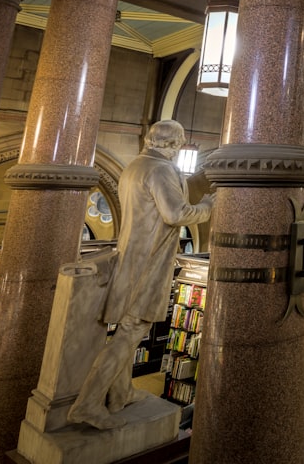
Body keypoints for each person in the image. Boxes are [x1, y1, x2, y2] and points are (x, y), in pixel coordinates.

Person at [68, 119, 214, 430]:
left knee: (128, 330)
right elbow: (176, 214)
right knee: (129, 333)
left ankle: (119, 393)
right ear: (172, 145)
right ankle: (88, 403)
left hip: (131, 259)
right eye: (179, 144)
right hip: (148, 264)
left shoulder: (134, 166)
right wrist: (206, 206)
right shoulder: (161, 170)